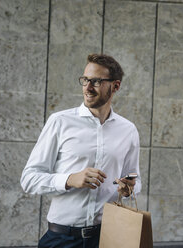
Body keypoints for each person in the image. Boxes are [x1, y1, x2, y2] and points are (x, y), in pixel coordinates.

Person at [20, 54, 141, 248]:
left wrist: (128, 188)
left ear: (115, 86)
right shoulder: (60, 122)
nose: (88, 87)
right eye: (85, 80)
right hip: (62, 239)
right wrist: (68, 180)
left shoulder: (128, 130)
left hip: (107, 238)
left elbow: (135, 179)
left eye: (96, 81)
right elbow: (29, 179)